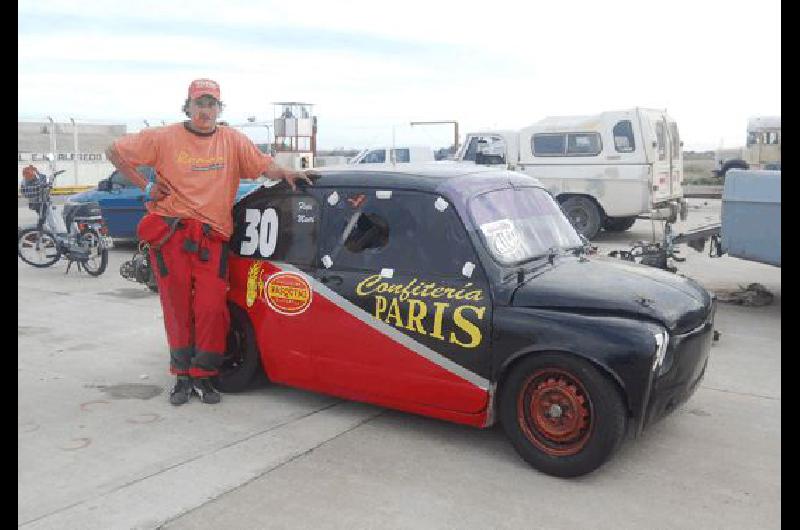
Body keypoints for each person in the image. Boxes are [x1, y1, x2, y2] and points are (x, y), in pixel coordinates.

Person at [105, 78, 312, 406]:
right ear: (188, 107)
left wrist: (289, 172)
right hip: (173, 236)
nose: (205, 110)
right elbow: (114, 150)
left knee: (212, 309)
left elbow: (264, 166)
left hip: (212, 239)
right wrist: (145, 186)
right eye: (199, 104)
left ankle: (204, 376)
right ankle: (182, 376)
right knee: (176, 308)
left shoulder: (232, 140)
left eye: (211, 104)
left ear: (219, 108)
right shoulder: (164, 137)